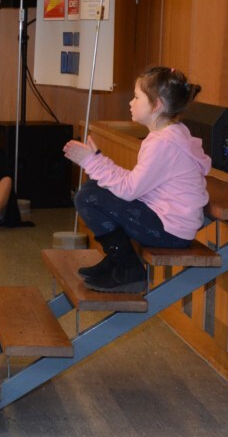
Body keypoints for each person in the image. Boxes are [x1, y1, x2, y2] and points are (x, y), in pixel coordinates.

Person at [62, 66, 211, 293]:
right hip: (167, 223)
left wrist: (90, 162)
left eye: (137, 97)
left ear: (156, 105)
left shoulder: (163, 143)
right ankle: (117, 259)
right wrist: (98, 160)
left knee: (88, 197)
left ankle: (127, 267)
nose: (131, 102)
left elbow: (129, 189)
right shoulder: (169, 135)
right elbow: (134, 182)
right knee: (92, 188)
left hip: (170, 231)